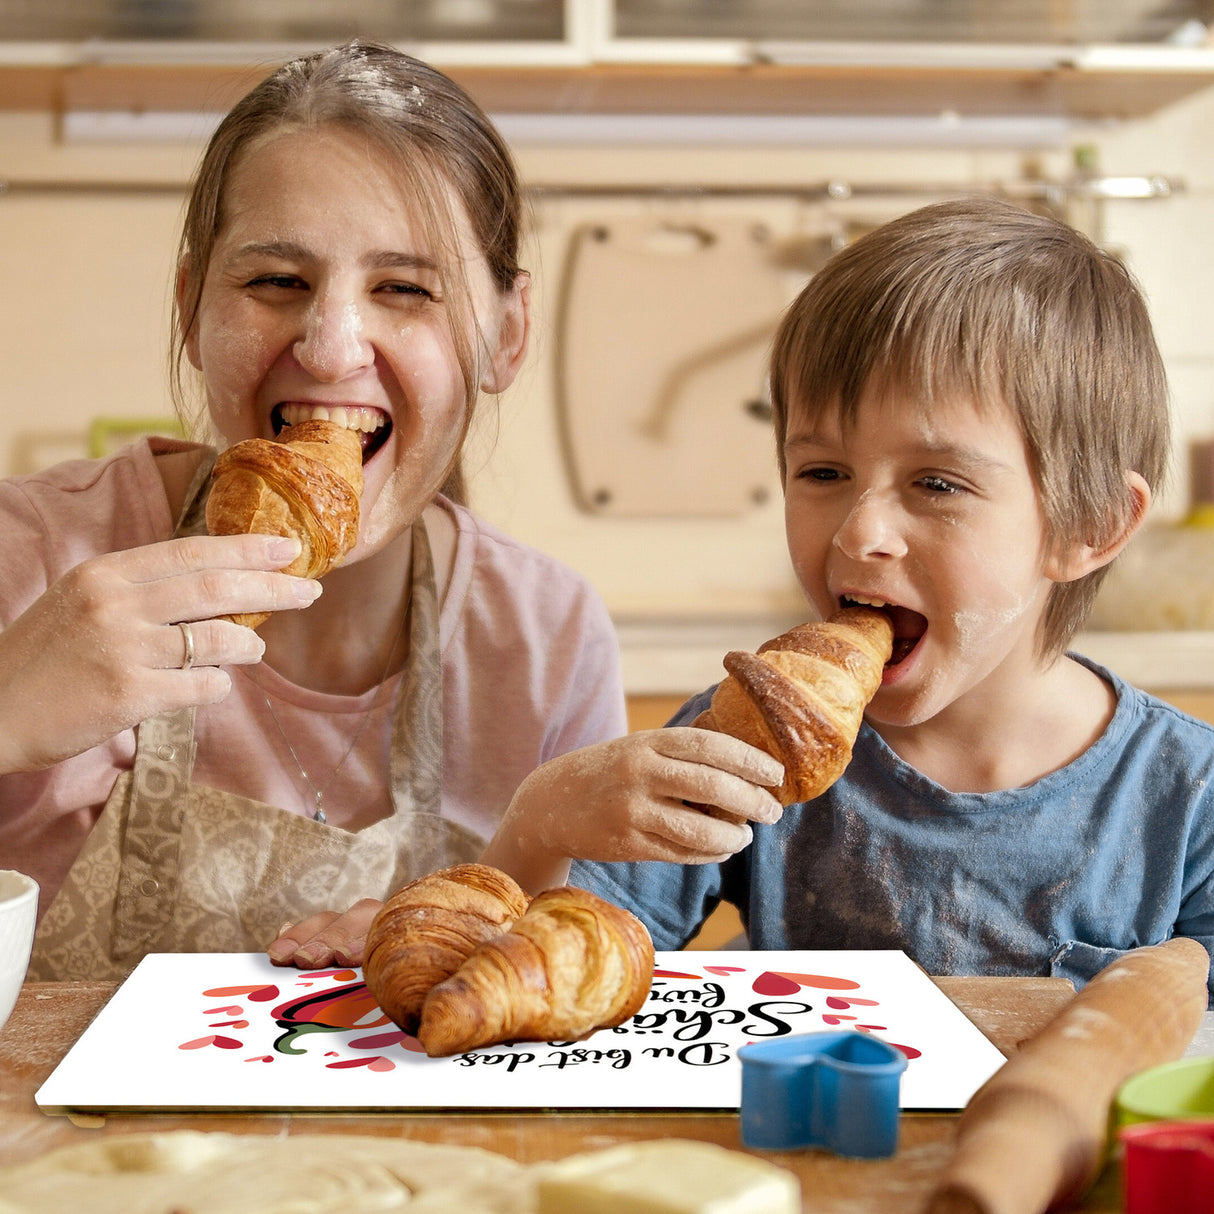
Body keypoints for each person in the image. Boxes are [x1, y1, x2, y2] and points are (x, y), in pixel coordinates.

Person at [1, 40, 635, 981]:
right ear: (191, 307)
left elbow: (580, 986)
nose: (334, 347)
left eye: (405, 289)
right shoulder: (35, 557)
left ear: (506, 335)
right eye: (275, 282)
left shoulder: (544, 639)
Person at [490, 196, 1214, 998]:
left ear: (1091, 524)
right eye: (824, 473)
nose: (859, 531)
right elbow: (551, 972)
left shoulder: (1188, 800)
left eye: (937, 483)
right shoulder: (748, 739)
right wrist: (540, 819)